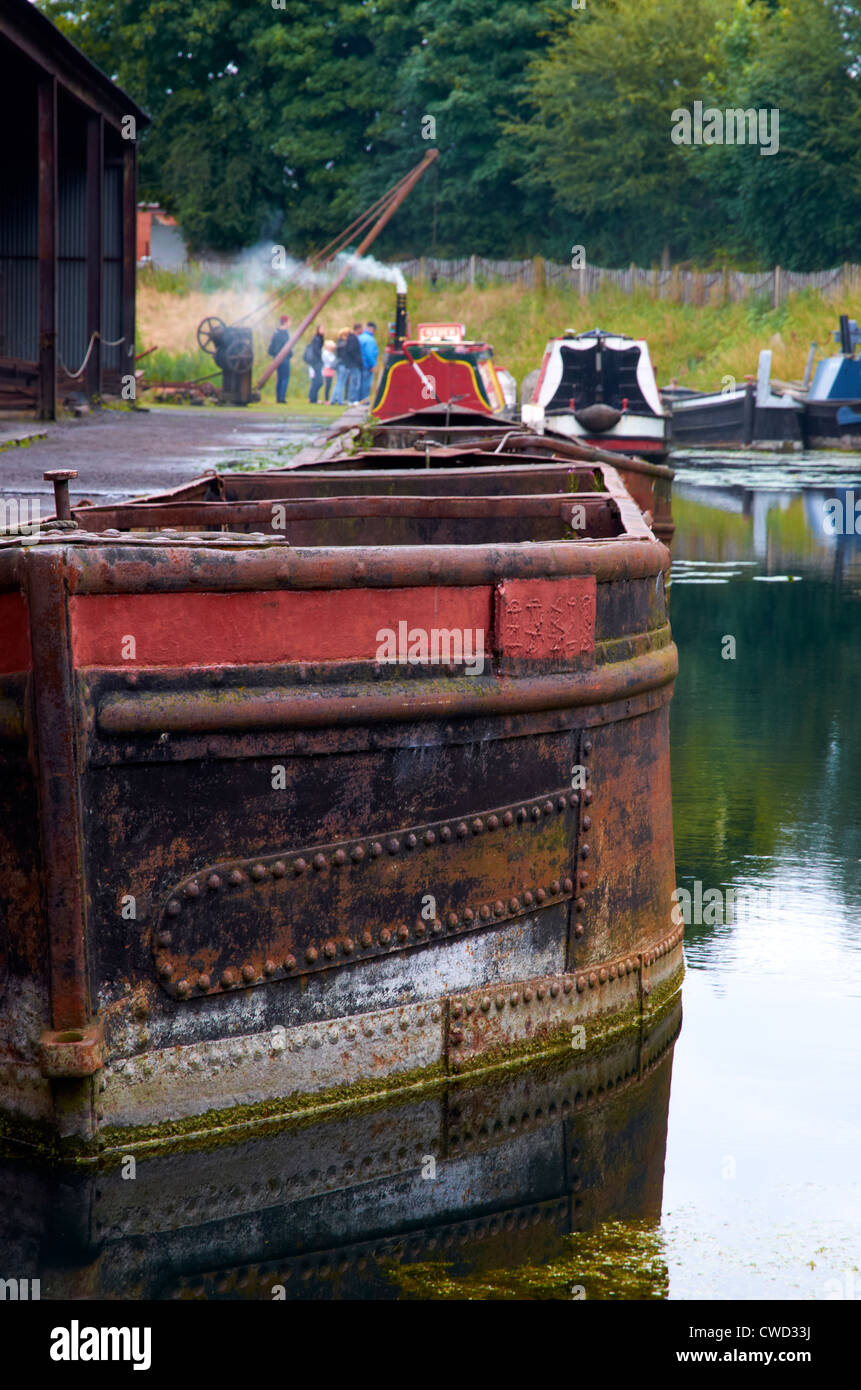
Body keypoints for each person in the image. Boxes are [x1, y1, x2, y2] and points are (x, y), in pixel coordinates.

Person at [267, 314, 292, 404]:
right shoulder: (285, 333)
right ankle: (281, 397)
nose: (290, 323)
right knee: (285, 377)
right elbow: (287, 346)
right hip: (284, 358)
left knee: (280, 378)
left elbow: (273, 346)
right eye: (289, 321)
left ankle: (278, 397)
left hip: (276, 358)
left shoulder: (276, 332)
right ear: (285, 322)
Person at [303, 324, 325, 403]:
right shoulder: (316, 339)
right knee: (319, 381)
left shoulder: (320, 338)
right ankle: (312, 398)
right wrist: (321, 359)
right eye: (322, 329)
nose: (323, 330)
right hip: (316, 362)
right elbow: (316, 350)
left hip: (316, 362)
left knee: (317, 380)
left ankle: (313, 398)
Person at [358, 321, 378, 403]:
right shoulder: (370, 340)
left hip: (359, 364)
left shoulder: (360, 337)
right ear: (372, 329)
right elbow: (370, 353)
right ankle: (365, 401)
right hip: (367, 365)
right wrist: (372, 365)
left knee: (360, 383)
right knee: (366, 385)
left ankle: (359, 400)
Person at [344, 323, 364, 403]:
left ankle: (353, 399)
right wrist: (358, 360)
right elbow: (351, 350)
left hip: (354, 364)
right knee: (355, 382)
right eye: (362, 328)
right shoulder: (353, 338)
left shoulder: (353, 338)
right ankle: (353, 399)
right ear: (358, 329)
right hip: (354, 364)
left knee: (355, 382)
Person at [331, 328, 350, 405]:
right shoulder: (344, 344)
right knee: (340, 383)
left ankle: (333, 399)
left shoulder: (338, 343)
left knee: (338, 382)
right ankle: (339, 400)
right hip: (343, 365)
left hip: (339, 365)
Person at [322, 338, 337, 403]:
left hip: (331, 369)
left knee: (330, 384)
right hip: (327, 369)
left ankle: (328, 398)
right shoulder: (326, 353)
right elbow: (331, 360)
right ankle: (326, 399)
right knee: (328, 385)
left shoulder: (330, 353)